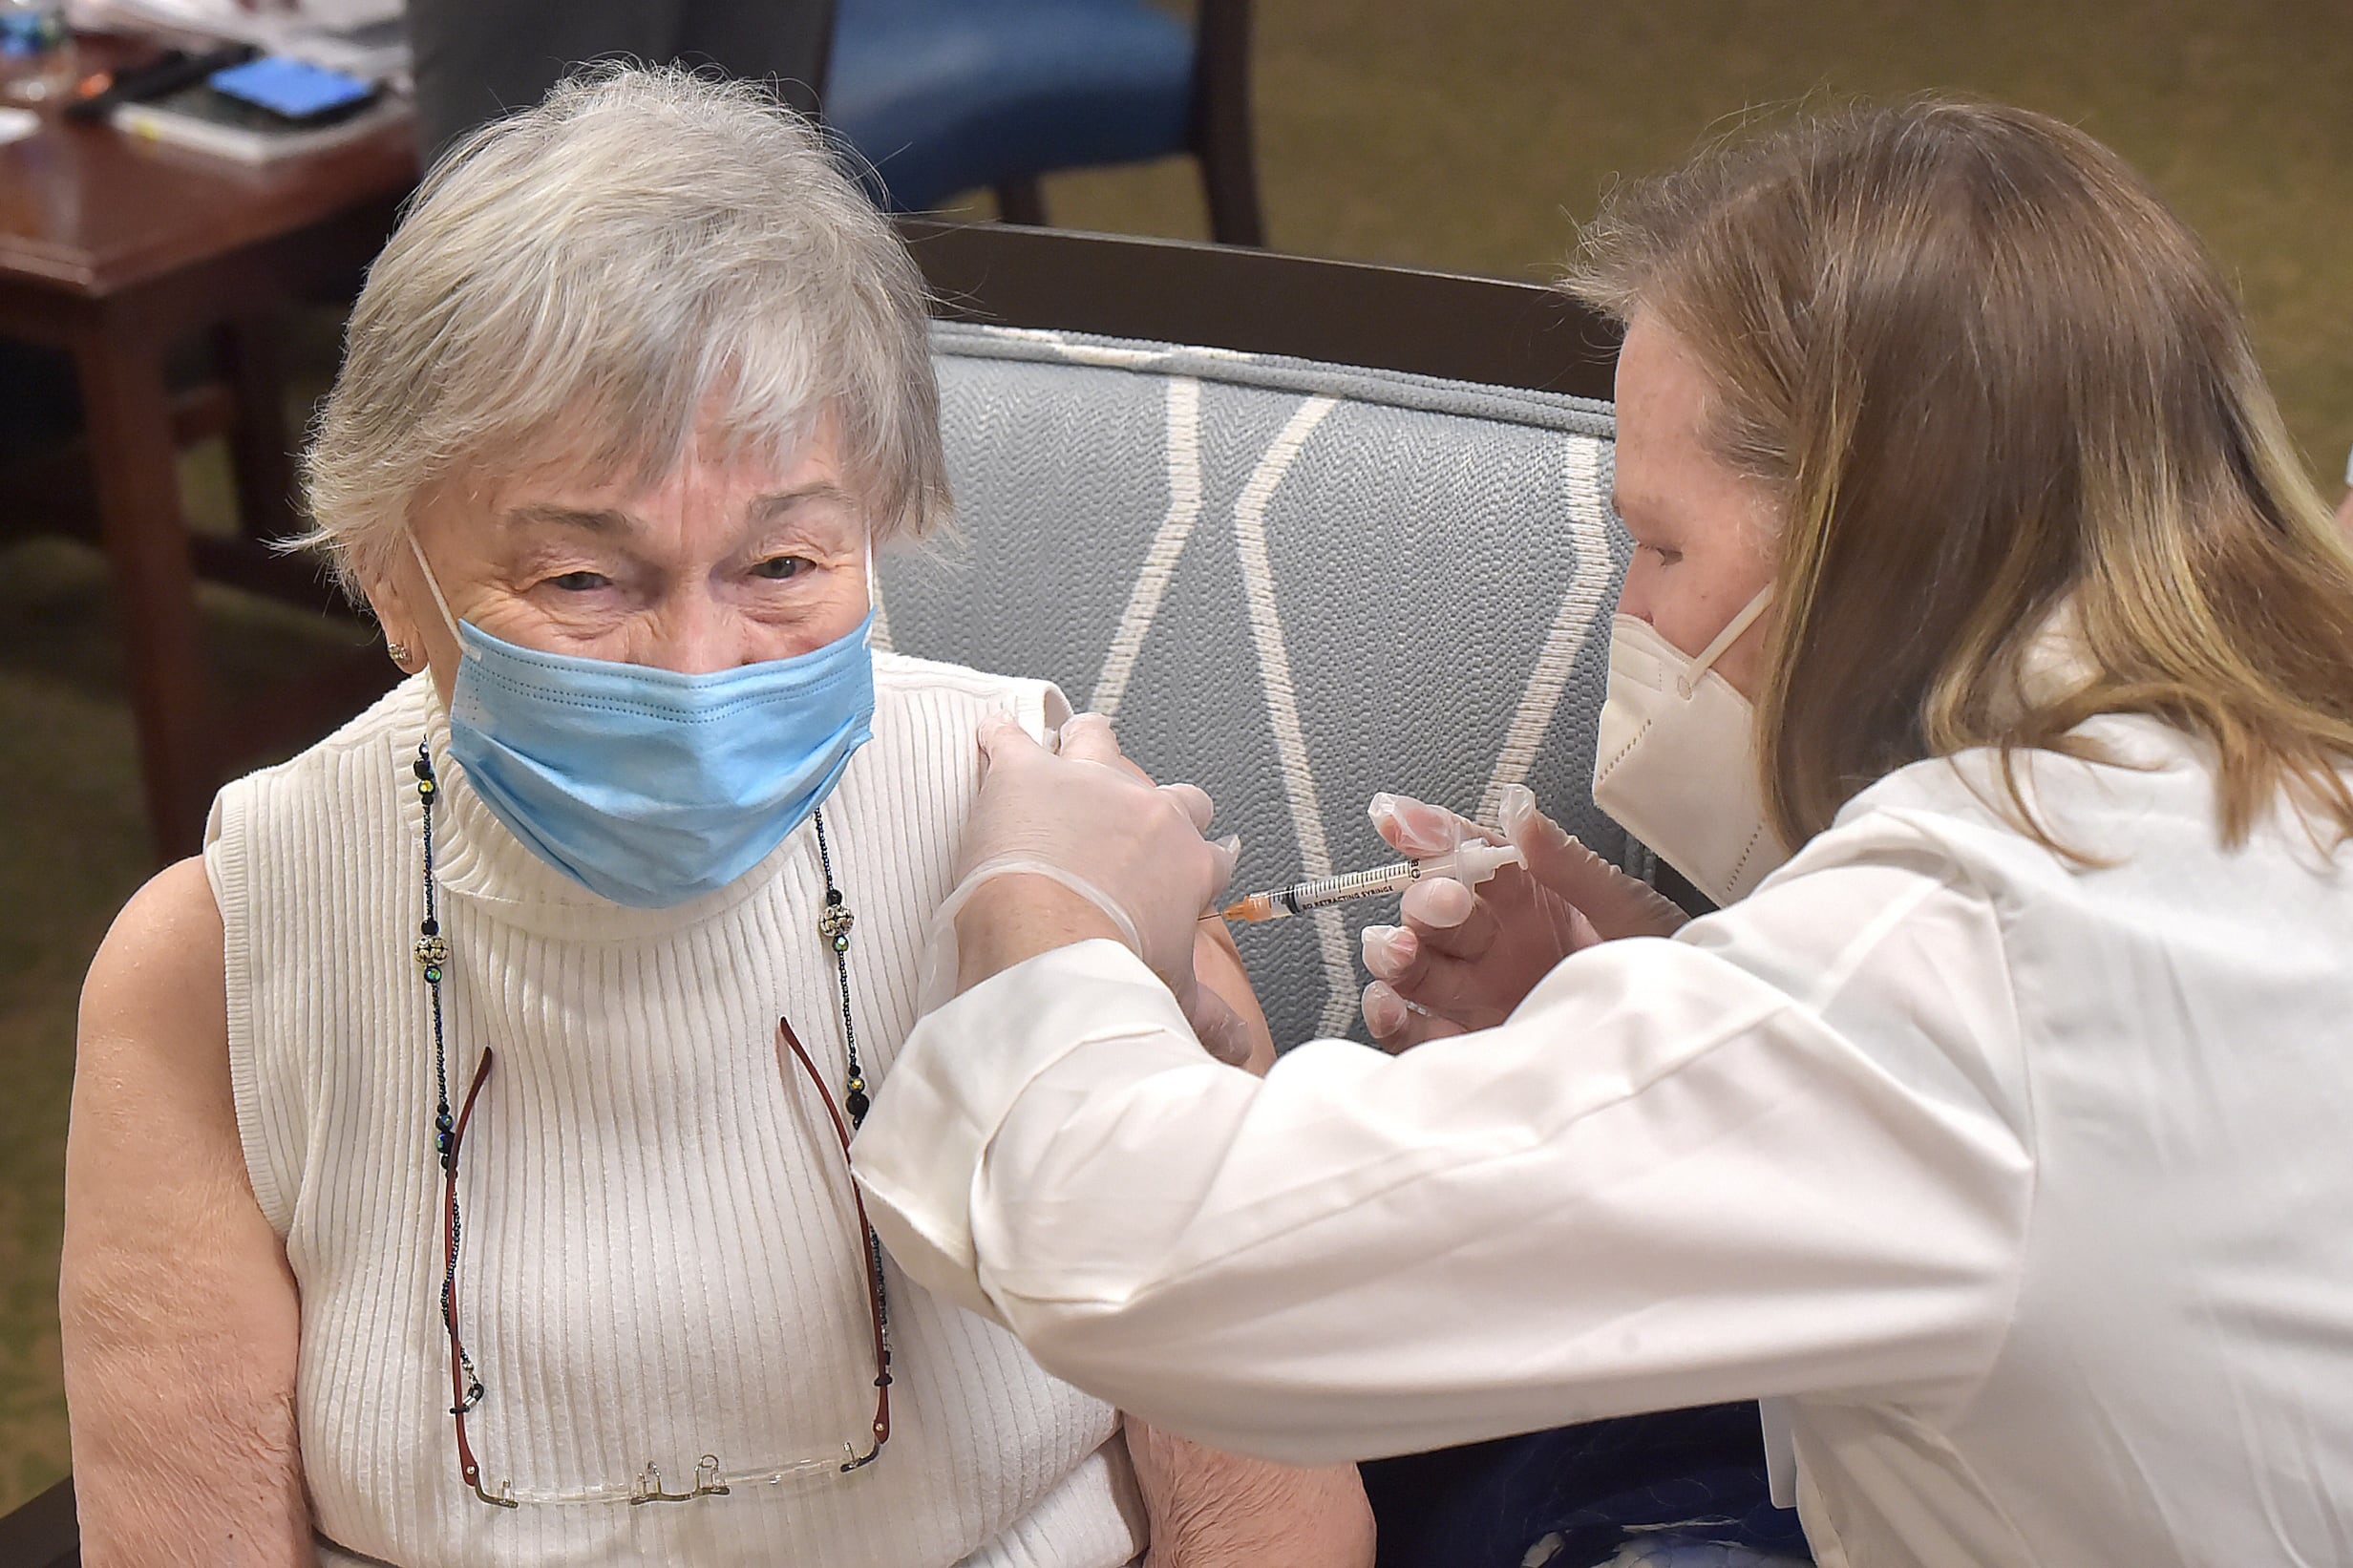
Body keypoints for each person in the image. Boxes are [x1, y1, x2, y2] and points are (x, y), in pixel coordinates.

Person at [849, 99, 2353, 1567]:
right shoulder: (2251, 785)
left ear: (1871, 539)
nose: (1631, 610)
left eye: (1668, 544)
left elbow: (1141, 1258)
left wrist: (1044, 901)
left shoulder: (1955, 963)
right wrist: (1674, 988)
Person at [60, 66, 1370, 1568]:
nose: (698, 669)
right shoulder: (216, 964)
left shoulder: (1056, 847)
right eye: (581, 581)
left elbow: (1268, 1511)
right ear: (386, 575)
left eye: (785, 565)